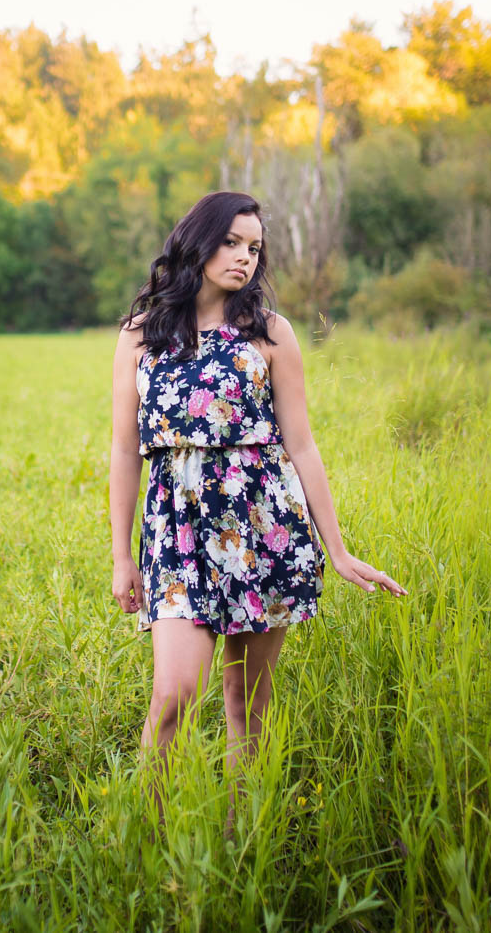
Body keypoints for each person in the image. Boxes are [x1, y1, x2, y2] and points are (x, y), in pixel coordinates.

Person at [108, 190, 407, 827]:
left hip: (263, 527)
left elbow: (301, 444)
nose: (245, 258)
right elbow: (124, 447)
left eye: (254, 248)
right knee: (173, 696)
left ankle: (247, 835)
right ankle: (146, 837)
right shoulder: (142, 335)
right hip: (178, 533)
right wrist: (120, 558)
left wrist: (339, 549)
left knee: (247, 700)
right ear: (199, 241)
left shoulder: (270, 332)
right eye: (232, 242)